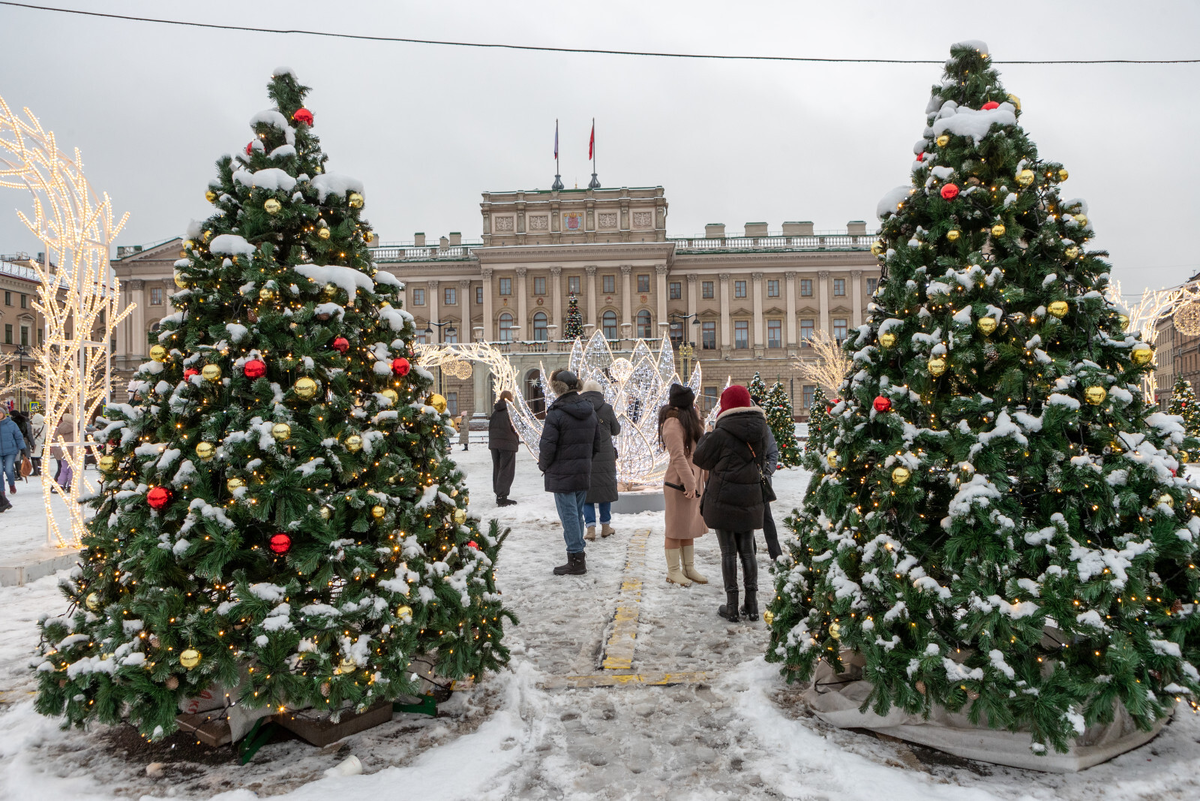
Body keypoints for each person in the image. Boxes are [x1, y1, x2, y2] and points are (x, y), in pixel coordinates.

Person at [693, 385, 771, 623]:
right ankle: (753, 604)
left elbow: (700, 458)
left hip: (723, 498)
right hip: (749, 498)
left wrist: (708, 432)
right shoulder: (761, 430)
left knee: (728, 552)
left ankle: (732, 606)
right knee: (748, 551)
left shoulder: (720, 433)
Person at [538, 369, 602, 576]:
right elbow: (597, 444)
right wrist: (584, 461)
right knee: (577, 514)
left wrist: (544, 465)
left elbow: (547, 445)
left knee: (569, 516)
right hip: (582, 471)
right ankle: (578, 554)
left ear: (557, 388)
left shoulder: (556, 413)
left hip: (562, 472)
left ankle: (576, 559)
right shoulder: (590, 410)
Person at [659, 383, 708, 586]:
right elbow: (677, 456)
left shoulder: (688, 421)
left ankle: (688, 568)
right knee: (675, 528)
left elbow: (700, 449)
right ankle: (673, 571)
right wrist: (689, 484)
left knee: (688, 526)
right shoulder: (672, 423)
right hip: (679, 484)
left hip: (692, 482)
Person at [580, 379, 620, 540]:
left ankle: (590, 529)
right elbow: (616, 430)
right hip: (605, 455)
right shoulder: (607, 408)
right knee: (605, 490)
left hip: (585, 455)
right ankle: (605, 526)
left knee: (586, 492)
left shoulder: (579, 409)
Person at [750, 394, 783, 561]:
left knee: (766, 518)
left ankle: (775, 553)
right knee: (747, 521)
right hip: (745, 483)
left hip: (761, 483)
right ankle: (750, 553)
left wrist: (767, 471)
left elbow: (773, 452)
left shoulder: (764, 429)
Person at [488, 391, 520, 506]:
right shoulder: (510, 411)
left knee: (497, 469)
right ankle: (502, 497)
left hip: (494, 444)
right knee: (506, 470)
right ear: (510, 398)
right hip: (507, 444)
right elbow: (517, 427)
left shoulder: (495, 412)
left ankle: (499, 494)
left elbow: (490, 427)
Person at [0, 407, 28, 497]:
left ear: (4, 414)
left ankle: (11, 484)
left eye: (0, 413)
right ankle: (1, 491)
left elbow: (18, 437)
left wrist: (23, 449)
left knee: (9, 470)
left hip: (10, 451)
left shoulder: (11, 424)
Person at [51, 413, 75, 492]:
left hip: (63, 451)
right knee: (72, 469)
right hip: (73, 451)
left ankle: (60, 485)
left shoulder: (60, 428)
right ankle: (71, 485)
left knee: (63, 469)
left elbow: (55, 439)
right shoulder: (75, 428)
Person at [31, 411, 45, 476]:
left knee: (33, 457)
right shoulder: (44, 426)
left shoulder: (32, 426)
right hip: (40, 442)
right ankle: (39, 470)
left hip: (33, 442)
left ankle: (35, 471)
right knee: (38, 457)